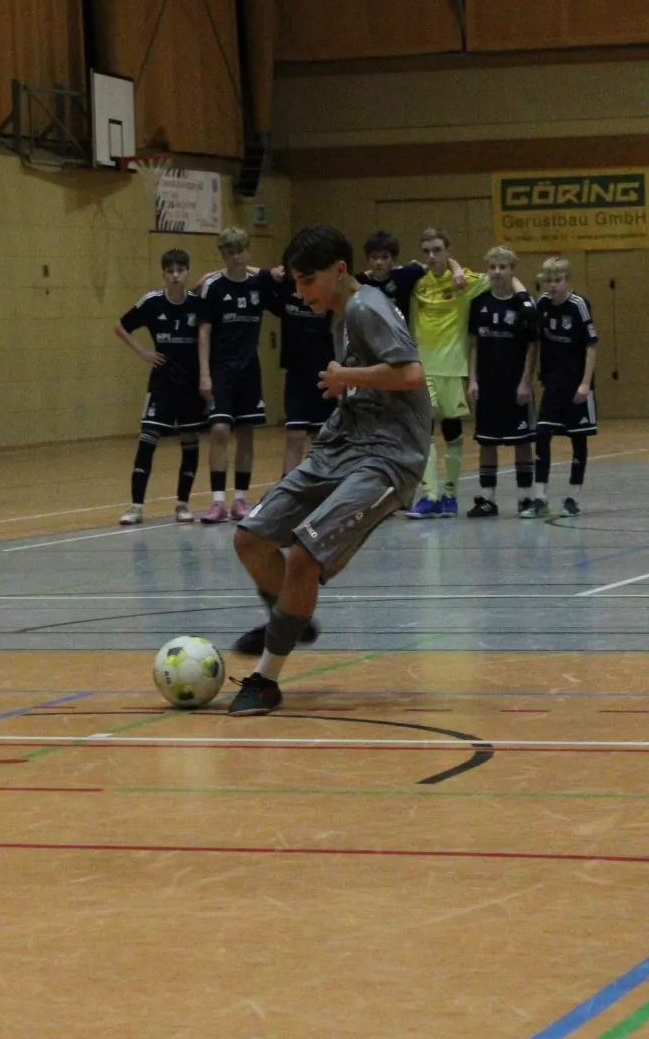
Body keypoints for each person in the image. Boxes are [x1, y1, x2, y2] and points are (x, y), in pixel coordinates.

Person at [227, 225, 433, 716]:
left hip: (388, 456)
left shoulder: (366, 306)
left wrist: (345, 376)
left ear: (340, 270)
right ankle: (290, 617)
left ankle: (266, 679)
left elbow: (411, 373)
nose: (301, 293)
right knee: (250, 538)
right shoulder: (341, 316)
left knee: (303, 555)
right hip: (344, 445)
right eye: (295, 283)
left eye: (308, 281)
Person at [404, 227, 493, 518]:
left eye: (437, 250)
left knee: (452, 432)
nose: (432, 256)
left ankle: (450, 496)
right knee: (423, 432)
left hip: (453, 369)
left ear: (448, 251)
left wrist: (455, 268)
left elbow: (500, 278)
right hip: (423, 369)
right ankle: (429, 496)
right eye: (426, 251)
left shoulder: (464, 281)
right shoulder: (417, 282)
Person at [113, 249, 204, 525]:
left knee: (189, 440)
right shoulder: (152, 302)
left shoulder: (197, 305)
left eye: (180, 271)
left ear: (187, 272)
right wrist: (143, 352)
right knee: (147, 439)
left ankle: (182, 504)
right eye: (170, 271)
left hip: (189, 384)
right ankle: (136, 507)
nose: (175, 276)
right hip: (162, 383)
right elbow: (120, 326)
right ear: (163, 273)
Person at [195, 228, 272, 523]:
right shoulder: (213, 287)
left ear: (248, 251)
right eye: (229, 253)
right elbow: (204, 330)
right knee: (219, 430)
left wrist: (254, 269)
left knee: (246, 432)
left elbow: (280, 276)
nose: (235, 257)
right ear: (222, 255)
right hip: (221, 369)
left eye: (240, 251)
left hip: (249, 369)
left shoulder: (258, 284)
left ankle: (240, 500)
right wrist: (204, 373)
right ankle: (217, 502)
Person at [464, 247, 538, 518]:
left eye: (502, 267)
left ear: (512, 270)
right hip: (487, 385)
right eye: (492, 267)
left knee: (522, 441)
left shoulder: (523, 305)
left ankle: (525, 498)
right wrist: (473, 380)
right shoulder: (479, 303)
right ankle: (488, 499)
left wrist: (525, 383)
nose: (497, 272)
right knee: (487, 441)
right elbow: (474, 345)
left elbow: (532, 346)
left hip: (515, 385)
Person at [531, 256, 600, 519]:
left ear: (567, 281)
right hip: (553, 382)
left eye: (557, 280)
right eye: (548, 280)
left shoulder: (579, 305)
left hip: (577, 383)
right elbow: (535, 341)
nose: (552, 286)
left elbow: (591, 345)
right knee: (542, 433)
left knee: (578, 438)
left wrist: (585, 383)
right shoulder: (542, 304)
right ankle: (540, 496)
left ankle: (573, 496)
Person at [267, 265, 336, 478]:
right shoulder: (285, 291)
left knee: (320, 436)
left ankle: (320, 484)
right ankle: (286, 488)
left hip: (323, 372)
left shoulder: (327, 291)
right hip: (296, 373)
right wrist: (268, 272)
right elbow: (257, 276)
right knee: (295, 434)